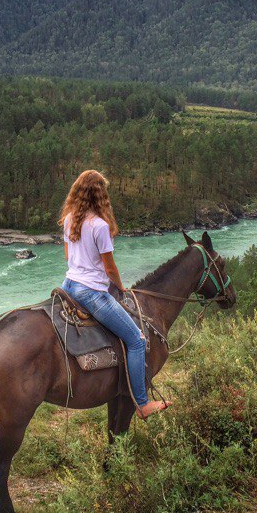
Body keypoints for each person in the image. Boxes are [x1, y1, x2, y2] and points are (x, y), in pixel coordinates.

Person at [59, 169, 171, 419]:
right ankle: (142, 404)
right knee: (136, 340)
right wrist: (121, 288)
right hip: (91, 293)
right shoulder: (99, 226)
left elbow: (68, 256)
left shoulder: (69, 219)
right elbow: (110, 268)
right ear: (101, 195)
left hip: (68, 285)